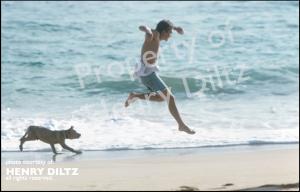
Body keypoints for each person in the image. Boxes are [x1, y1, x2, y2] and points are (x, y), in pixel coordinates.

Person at [124, 19, 195, 135]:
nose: (170, 36)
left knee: (161, 98)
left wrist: (176, 28)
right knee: (170, 98)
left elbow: (162, 27)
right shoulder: (153, 35)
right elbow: (144, 28)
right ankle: (181, 125)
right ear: (164, 32)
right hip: (148, 75)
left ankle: (135, 95)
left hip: (149, 73)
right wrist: (146, 29)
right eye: (170, 33)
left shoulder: (157, 34)